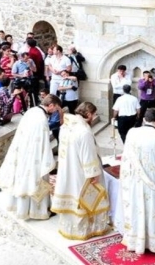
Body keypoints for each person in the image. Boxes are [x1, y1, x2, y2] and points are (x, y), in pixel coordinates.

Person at [119, 108, 155, 254]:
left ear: (145, 119)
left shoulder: (132, 132)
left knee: (138, 208)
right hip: (154, 181)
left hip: (136, 180)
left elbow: (126, 156)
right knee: (154, 209)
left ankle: (137, 240)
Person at [51, 102, 111, 240]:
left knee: (72, 194)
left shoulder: (66, 126)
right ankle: (88, 229)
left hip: (68, 169)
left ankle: (70, 229)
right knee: (85, 198)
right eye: (94, 114)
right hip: (81, 173)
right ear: (88, 114)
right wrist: (93, 174)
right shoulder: (84, 132)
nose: (94, 117)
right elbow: (88, 155)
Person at [0, 95, 60, 220]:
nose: (56, 111)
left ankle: (20, 209)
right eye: (56, 108)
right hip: (34, 157)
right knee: (33, 182)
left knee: (21, 182)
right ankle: (38, 211)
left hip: (22, 153)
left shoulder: (31, 111)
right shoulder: (42, 120)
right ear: (51, 105)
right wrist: (48, 161)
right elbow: (43, 144)